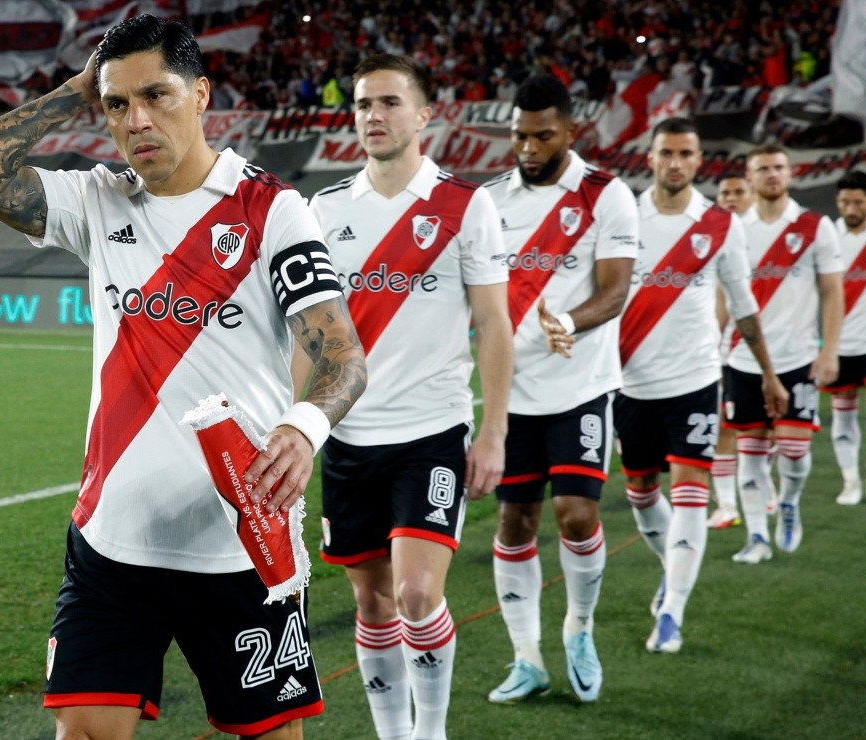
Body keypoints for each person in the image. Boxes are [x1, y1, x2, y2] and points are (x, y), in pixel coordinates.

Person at [0, 15, 367, 740]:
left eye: (157, 95)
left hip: (238, 544)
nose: (137, 120)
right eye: (116, 105)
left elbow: (341, 355)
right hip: (112, 543)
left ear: (202, 95)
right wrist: (73, 91)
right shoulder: (96, 201)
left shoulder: (270, 210)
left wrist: (303, 429)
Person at [306, 54, 512, 739]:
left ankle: (432, 733)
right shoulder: (325, 209)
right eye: (363, 104)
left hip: (430, 435)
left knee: (419, 596)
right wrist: (300, 426)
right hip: (347, 438)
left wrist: (493, 433)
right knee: (373, 603)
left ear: (425, 116)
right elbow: (311, 334)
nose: (373, 116)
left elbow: (493, 324)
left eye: (390, 103)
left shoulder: (464, 205)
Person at [481, 74, 638, 704]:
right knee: (515, 525)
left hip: (582, 387)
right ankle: (526, 659)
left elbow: (616, 289)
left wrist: (568, 321)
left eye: (542, 135)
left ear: (571, 132)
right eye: (519, 135)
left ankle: (580, 628)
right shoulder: (490, 201)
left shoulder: (608, 196)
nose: (528, 147)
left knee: (576, 516)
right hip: (510, 396)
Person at [616, 118, 787, 654]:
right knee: (641, 493)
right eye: (665, 152)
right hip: (628, 384)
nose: (674, 162)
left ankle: (671, 613)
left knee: (691, 492)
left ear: (698, 161)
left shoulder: (719, 224)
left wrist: (768, 373)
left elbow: (743, 306)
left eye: (685, 153)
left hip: (694, 379)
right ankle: (674, 568)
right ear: (650, 157)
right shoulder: (623, 216)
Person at [725, 144, 844, 563]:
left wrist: (830, 350)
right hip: (742, 358)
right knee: (751, 450)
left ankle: (789, 502)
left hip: (797, 358)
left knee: (794, 450)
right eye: (763, 169)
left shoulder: (815, 227)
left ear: (790, 174)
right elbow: (723, 296)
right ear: (750, 176)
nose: (772, 175)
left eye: (779, 167)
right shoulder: (734, 228)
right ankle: (756, 536)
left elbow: (832, 290)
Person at [821, 171, 866, 504]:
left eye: (858, 201)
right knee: (843, 411)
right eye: (845, 201)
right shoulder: (827, 236)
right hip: (840, 342)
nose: (851, 207)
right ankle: (850, 480)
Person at [709, 174, 758, 529]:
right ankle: (727, 504)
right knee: (724, 425)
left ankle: (764, 492)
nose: (731, 198)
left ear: (752, 195)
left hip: (768, 348)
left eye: (739, 192)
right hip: (727, 349)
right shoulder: (713, 237)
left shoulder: (765, 236)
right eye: (724, 192)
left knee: (764, 430)